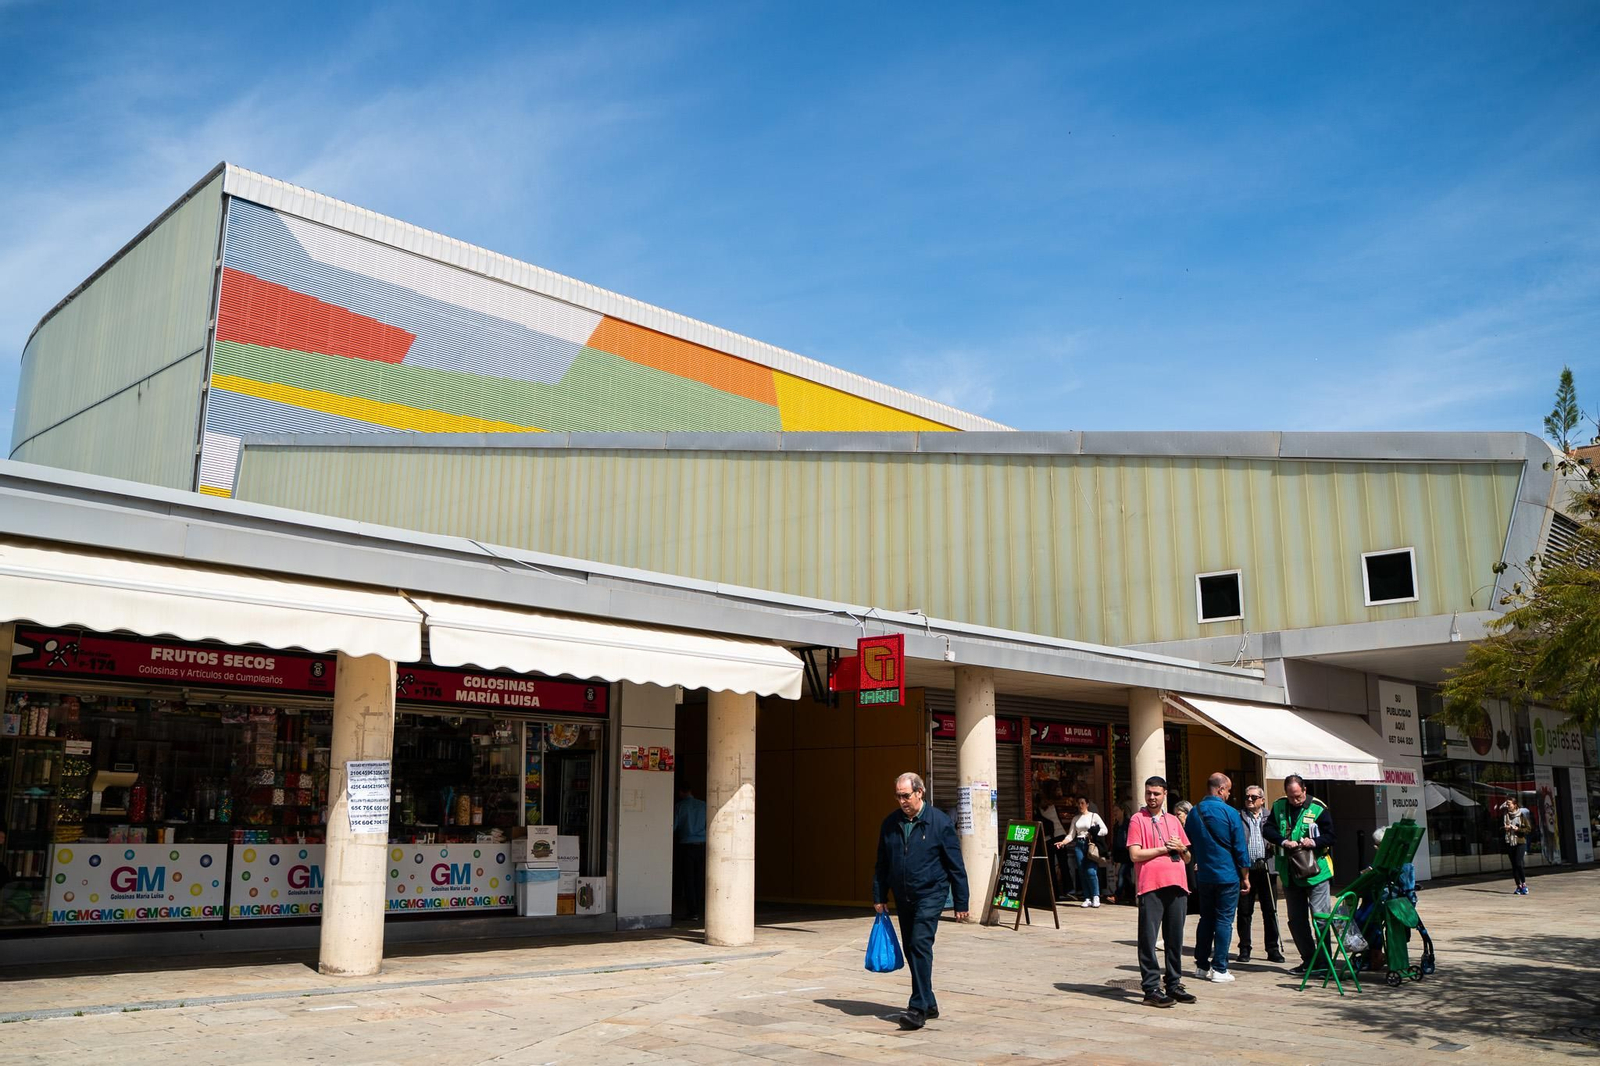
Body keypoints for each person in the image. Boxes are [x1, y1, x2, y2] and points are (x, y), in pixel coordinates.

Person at [872, 772, 970, 1030]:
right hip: (903, 896)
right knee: (911, 948)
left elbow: (956, 865)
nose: (902, 801)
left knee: (919, 944)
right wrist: (879, 895)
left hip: (932, 893)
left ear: (920, 793)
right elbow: (882, 863)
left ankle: (917, 1008)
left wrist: (962, 901)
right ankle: (930, 1001)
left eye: (906, 795)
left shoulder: (939, 823)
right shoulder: (890, 824)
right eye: (898, 796)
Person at [1127, 775, 1195, 1008]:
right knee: (1148, 938)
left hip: (1177, 884)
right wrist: (1162, 849)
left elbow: (1187, 857)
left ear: (1165, 794)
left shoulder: (1174, 821)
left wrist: (1181, 849)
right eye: (1148, 793)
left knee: (1174, 938)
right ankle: (1151, 987)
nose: (1152, 798)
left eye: (1156, 793)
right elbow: (1135, 854)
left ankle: (1174, 983)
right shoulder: (1138, 819)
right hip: (1151, 886)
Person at [1261, 774, 1336, 975]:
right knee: (1296, 920)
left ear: (1304, 790)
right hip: (1289, 872)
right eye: (1291, 796)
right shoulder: (1278, 806)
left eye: (1298, 796)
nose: (1296, 800)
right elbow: (1267, 830)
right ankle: (1309, 960)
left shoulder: (1318, 807)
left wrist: (1314, 842)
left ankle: (1324, 963)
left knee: (1320, 919)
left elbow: (1331, 836)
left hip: (1316, 872)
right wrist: (1283, 841)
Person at [1185, 773, 1251, 983]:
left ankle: (1202, 965)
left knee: (1206, 919)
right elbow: (1240, 848)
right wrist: (1246, 876)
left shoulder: (1194, 813)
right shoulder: (1230, 813)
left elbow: (1189, 842)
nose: (1229, 794)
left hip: (1204, 874)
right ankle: (1220, 967)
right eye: (1228, 790)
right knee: (1224, 920)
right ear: (1221, 789)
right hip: (1227, 874)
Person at [1236, 784, 1285, 963]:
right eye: (1247, 797)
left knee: (1270, 910)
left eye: (1254, 797)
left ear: (1262, 800)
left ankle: (1272, 949)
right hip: (1246, 869)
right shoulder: (1238, 816)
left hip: (1267, 867)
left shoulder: (1270, 816)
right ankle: (1244, 948)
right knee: (1244, 910)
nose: (1249, 799)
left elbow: (1281, 836)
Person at [1058, 796, 1109, 908]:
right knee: (1082, 871)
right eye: (1078, 803)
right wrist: (1063, 842)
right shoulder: (1076, 818)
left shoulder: (1093, 816)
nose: (1080, 806)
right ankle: (1087, 897)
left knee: (1091, 871)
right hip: (1079, 844)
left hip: (1089, 844)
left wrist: (1094, 833)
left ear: (1087, 804)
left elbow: (1105, 830)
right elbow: (1071, 834)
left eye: (1082, 803)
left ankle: (1095, 895)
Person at [672, 784, 707, 922]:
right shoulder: (703, 805)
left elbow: (674, 826)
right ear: (691, 791)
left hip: (686, 845)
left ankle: (692, 911)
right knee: (699, 878)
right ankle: (697, 908)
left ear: (681, 792)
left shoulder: (680, 807)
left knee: (688, 879)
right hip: (702, 845)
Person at [1037, 789, 1070, 899]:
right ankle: (1067, 889)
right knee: (1063, 864)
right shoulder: (1053, 807)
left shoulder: (1039, 811)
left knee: (1051, 866)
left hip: (1049, 839)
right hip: (1060, 835)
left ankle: (1055, 892)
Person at [1501, 798, 1532, 895]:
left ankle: (1524, 884)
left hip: (1520, 842)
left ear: (1515, 805)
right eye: (1507, 804)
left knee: (1519, 863)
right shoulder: (1505, 816)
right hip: (1509, 842)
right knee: (1514, 865)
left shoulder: (1521, 816)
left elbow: (1528, 829)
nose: (1508, 806)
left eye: (1509, 804)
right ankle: (1518, 886)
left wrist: (1517, 829)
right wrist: (1505, 828)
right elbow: (1500, 828)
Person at [1107, 804, 1131, 904]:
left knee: (1121, 873)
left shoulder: (1128, 824)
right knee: (1126, 875)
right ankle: (1129, 895)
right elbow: (1115, 840)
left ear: (1122, 811)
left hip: (1128, 852)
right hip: (1120, 852)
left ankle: (1117, 895)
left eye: (1117, 810)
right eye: (1114, 811)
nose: (1115, 813)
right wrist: (1113, 854)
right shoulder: (1116, 826)